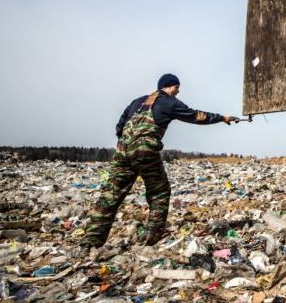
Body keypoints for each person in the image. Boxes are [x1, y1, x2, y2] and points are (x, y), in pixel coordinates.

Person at [80, 73, 237, 248]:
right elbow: (196, 116)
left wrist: (128, 145)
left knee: (110, 197)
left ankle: (89, 243)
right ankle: (152, 237)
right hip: (145, 152)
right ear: (169, 86)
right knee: (159, 193)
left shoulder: (136, 102)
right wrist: (222, 118)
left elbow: (120, 127)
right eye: (177, 87)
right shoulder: (169, 102)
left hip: (122, 153)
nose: (178, 91)